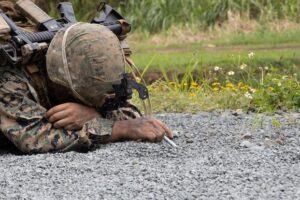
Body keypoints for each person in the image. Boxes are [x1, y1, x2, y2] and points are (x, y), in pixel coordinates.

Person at [0, 1, 173, 154]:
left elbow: (127, 111)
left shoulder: (84, 67)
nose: (88, 104)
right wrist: (117, 129)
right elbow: (34, 137)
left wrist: (94, 115)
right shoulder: (11, 76)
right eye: (84, 99)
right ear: (60, 81)